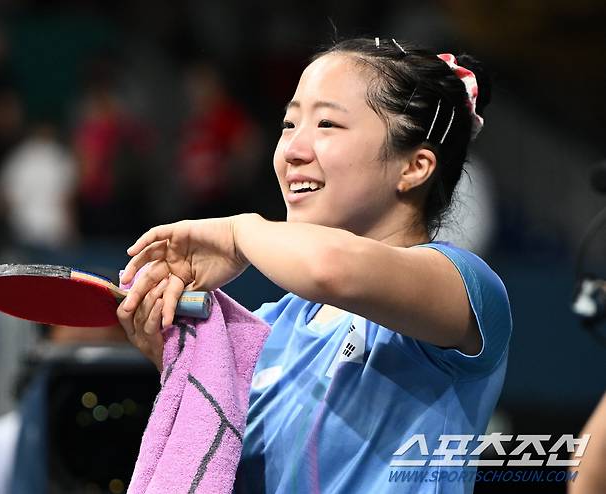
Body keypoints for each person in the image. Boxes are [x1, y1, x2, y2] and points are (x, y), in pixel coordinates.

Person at [118, 37, 512, 493]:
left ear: (414, 166)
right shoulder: (267, 328)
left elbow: (332, 269)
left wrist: (237, 232)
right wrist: (180, 360)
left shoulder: (464, 287)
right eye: (288, 123)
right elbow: (220, 467)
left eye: (326, 123)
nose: (292, 150)